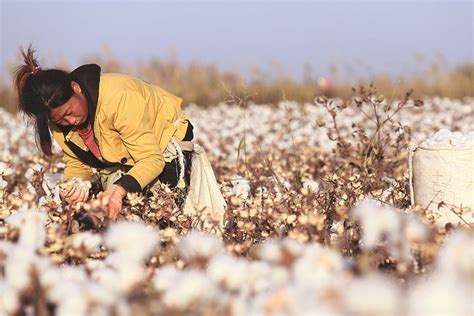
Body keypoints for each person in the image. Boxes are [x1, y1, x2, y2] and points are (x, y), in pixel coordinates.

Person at [13, 46, 195, 220]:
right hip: (124, 159)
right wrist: (73, 184)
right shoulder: (58, 124)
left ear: (75, 87)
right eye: (60, 120)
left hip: (165, 147)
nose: (71, 122)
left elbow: (152, 159)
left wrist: (119, 189)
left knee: (164, 216)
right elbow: (77, 162)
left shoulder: (119, 98)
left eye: (69, 112)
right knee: (109, 216)